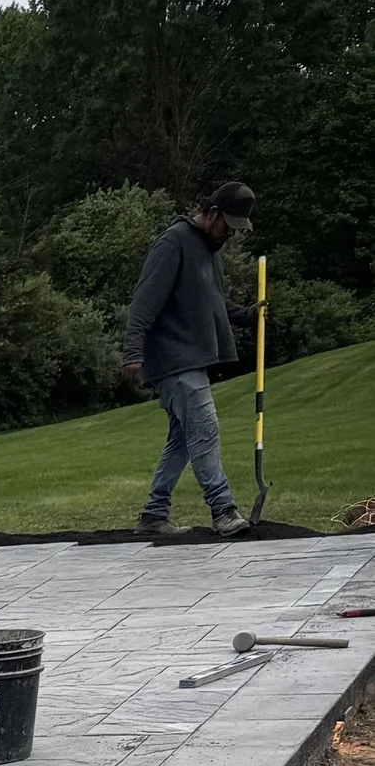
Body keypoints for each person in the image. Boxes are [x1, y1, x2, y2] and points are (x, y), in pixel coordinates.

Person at [123, 183, 255, 539]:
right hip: (172, 359)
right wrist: (133, 351)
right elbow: (143, 301)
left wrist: (249, 314)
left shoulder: (209, 251)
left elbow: (213, 303)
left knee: (182, 439)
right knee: (205, 430)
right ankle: (223, 509)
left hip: (190, 360)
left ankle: (154, 513)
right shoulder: (173, 242)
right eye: (227, 225)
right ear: (210, 213)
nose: (230, 234)